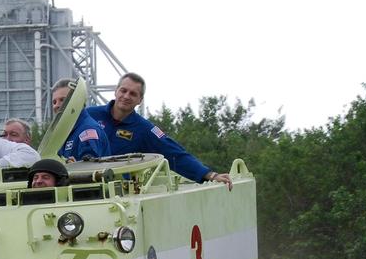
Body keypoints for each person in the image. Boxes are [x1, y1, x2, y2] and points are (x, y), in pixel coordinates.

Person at [85, 72, 232, 188]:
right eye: (123, 90)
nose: (126, 96)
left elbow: (175, 154)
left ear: (140, 100)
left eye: (133, 94)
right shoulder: (89, 115)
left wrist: (209, 175)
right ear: (116, 91)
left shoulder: (144, 129)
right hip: (79, 183)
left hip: (115, 192)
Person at [50, 78, 109, 161]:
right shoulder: (66, 132)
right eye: (54, 102)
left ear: (77, 100)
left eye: (62, 100)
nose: (56, 105)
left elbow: (89, 168)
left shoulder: (87, 130)